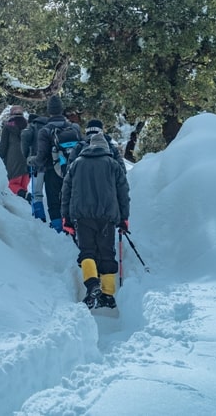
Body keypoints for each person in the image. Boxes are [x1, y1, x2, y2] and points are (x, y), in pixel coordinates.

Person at [60, 131, 130, 310]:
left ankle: (92, 285)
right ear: (106, 148)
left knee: (87, 252)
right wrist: (124, 218)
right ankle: (108, 294)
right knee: (107, 253)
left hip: (82, 217)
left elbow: (66, 192)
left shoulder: (76, 164)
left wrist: (66, 217)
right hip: (107, 217)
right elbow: (123, 193)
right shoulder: (113, 165)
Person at [34, 95, 82, 233]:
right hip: (73, 170)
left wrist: (33, 161)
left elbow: (42, 155)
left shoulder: (45, 130)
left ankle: (59, 228)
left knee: (54, 201)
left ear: (49, 111)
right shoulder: (74, 128)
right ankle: (73, 226)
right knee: (72, 197)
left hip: (52, 171)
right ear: (62, 110)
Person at [0, 106, 30, 199]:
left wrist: (0, 157)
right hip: (27, 157)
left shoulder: (8, 126)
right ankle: (26, 198)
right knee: (24, 184)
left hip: (13, 158)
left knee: (13, 184)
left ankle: (24, 195)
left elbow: (3, 145)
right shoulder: (28, 125)